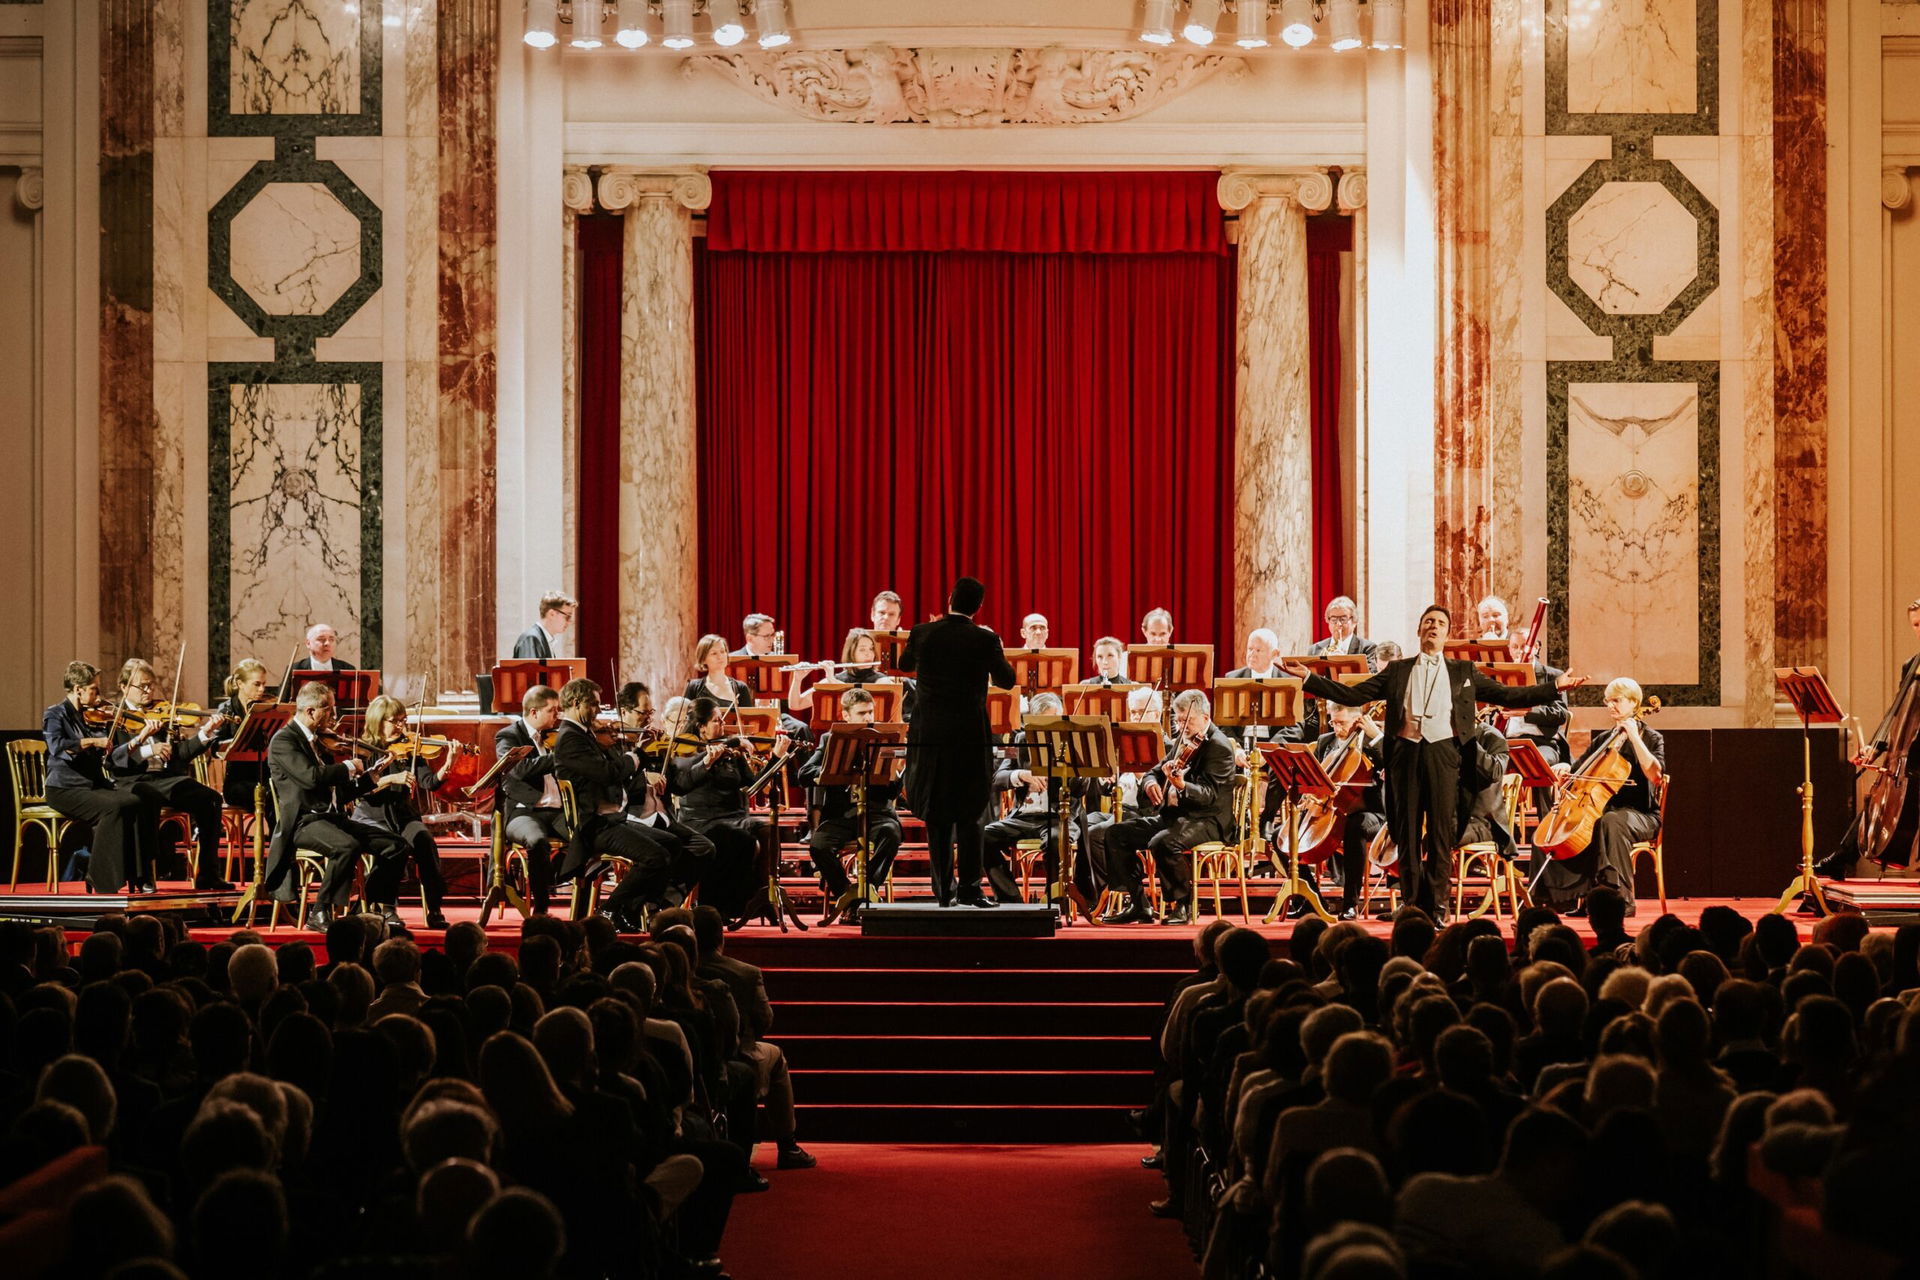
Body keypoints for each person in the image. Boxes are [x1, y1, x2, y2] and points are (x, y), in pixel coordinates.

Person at [1284, 605, 1583, 922]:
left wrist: (1554, 687)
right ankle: (1412, 906)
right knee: (1407, 836)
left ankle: (1439, 909)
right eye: (1428, 621)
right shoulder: (1397, 670)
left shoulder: (1463, 671)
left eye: (1440, 622)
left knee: (1441, 836)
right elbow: (1353, 694)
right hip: (1405, 757)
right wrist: (1309, 678)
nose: (1434, 626)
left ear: (1446, 633)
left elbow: (1508, 696)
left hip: (1444, 756)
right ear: (1419, 630)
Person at [898, 576, 1017, 908]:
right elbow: (1007, 681)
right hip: (969, 737)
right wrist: (994, 648)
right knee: (970, 813)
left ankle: (943, 892)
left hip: (929, 737)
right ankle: (970, 889)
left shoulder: (923, 632)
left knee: (936, 814)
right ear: (979, 607)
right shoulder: (985, 639)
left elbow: (903, 665)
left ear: (950, 599)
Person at [261, 682, 408, 932]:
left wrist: (369, 779)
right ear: (311, 711)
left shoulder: (317, 740)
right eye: (329, 709)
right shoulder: (284, 740)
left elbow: (336, 793)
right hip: (303, 822)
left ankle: (367, 905)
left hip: (331, 818)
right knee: (346, 846)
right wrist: (348, 766)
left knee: (396, 846)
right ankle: (319, 912)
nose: (334, 716)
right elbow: (311, 777)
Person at [1098, 689, 1236, 925]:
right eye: (1178, 720)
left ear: (1205, 718)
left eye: (1187, 721)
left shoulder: (1219, 747)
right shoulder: (1184, 740)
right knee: (1115, 834)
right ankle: (1139, 904)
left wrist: (1182, 786)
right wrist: (1151, 783)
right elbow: (1153, 771)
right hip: (1177, 817)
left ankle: (1184, 905)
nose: (1181, 726)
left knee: (1163, 842)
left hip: (1209, 820)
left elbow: (1210, 796)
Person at [550, 679, 680, 929]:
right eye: (594, 705)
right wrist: (636, 753)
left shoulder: (584, 734)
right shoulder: (571, 738)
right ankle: (610, 909)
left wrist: (630, 748)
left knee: (672, 844)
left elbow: (614, 770)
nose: (598, 711)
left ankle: (632, 910)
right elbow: (608, 773)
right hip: (594, 825)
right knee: (656, 856)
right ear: (576, 703)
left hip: (611, 819)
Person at [1535, 676, 1665, 917]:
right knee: (1577, 825)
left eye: (1617, 700)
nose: (1610, 706)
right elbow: (1578, 772)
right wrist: (1565, 769)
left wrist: (1634, 737)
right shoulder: (1604, 740)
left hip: (1641, 814)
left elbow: (1656, 775)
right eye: (1607, 701)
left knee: (1610, 821)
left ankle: (1622, 900)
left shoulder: (1651, 738)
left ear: (1634, 702)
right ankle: (1579, 899)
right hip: (1603, 812)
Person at [106, 658, 231, 891]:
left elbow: (180, 755)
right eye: (142, 686)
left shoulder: (160, 714)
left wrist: (205, 733)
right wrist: (148, 749)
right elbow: (115, 761)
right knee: (147, 798)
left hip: (164, 779)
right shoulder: (114, 719)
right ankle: (144, 875)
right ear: (124, 687)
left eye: (151, 685)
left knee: (211, 799)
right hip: (133, 781)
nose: (148, 691)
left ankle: (208, 874)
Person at [42, 661, 158, 894]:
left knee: (135, 801)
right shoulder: (55, 714)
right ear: (78, 689)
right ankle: (101, 878)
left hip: (92, 785)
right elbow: (58, 746)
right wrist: (93, 741)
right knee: (113, 808)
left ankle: (138, 875)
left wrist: (139, 739)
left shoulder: (92, 716)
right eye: (94, 689)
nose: (99, 695)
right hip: (64, 788)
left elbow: (112, 756)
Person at [1822, 597, 1920, 873]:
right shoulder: (1912, 665)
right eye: (1916, 625)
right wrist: (1874, 749)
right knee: (1879, 799)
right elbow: (1899, 716)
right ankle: (1843, 856)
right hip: (1908, 757)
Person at [668, 697, 784, 922]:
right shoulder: (686, 753)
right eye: (717, 721)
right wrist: (727, 746)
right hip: (702, 820)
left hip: (735, 817)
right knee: (741, 840)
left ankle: (764, 896)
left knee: (768, 831)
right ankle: (731, 905)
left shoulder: (732, 754)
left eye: (722, 720)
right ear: (701, 727)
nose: (723, 725)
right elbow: (686, 777)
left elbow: (754, 786)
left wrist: (776, 758)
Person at [982, 692, 1100, 909]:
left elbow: (1079, 790)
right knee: (984, 837)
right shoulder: (1021, 740)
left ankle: (1054, 902)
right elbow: (997, 778)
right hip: (1024, 817)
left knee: (1056, 841)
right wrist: (1022, 775)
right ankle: (1011, 900)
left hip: (1059, 817)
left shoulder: (1070, 742)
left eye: (1053, 721)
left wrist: (1079, 768)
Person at [796, 687, 902, 923]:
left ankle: (868, 890)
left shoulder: (884, 738)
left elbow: (893, 791)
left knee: (891, 834)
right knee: (818, 846)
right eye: (862, 713)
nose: (869, 718)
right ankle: (848, 896)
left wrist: (896, 770)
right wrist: (832, 770)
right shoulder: (829, 739)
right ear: (846, 716)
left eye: (871, 712)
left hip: (877, 813)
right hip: (841, 816)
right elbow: (804, 774)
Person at [351, 695, 458, 929]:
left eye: (403, 720)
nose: (401, 726)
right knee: (392, 846)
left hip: (402, 815)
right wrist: (392, 778)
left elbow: (429, 782)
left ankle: (434, 907)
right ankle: (387, 907)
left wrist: (448, 764)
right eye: (395, 721)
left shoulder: (410, 748)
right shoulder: (364, 750)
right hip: (372, 816)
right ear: (378, 721)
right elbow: (361, 790)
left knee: (424, 840)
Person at [493, 685, 567, 915]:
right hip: (524, 811)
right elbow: (519, 769)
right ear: (534, 712)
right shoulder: (508, 735)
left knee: (588, 835)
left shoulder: (555, 736)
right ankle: (541, 908)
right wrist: (560, 756)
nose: (557, 716)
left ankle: (580, 905)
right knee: (537, 841)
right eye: (552, 710)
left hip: (558, 811)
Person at [683, 634, 754, 713]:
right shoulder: (693, 687)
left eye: (722, 651)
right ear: (703, 659)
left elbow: (749, 719)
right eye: (714, 653)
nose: (720, 656)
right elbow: (685, 717)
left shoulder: (741, 688)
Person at [1309, 596, 1377, 665]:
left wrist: (1343, 661)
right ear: (1328, 621)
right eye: (1334, 620)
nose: (1338, 624)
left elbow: (1370, 671)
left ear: (1354, 622)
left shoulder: (1368, 648)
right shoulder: (1314, 649)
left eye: (1343, 619)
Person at [511, 593, 576, 661]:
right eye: (568, 617)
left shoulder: (542, 639)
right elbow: (530, 667)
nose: (570, 622)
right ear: (552, 614)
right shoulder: (531, 638)